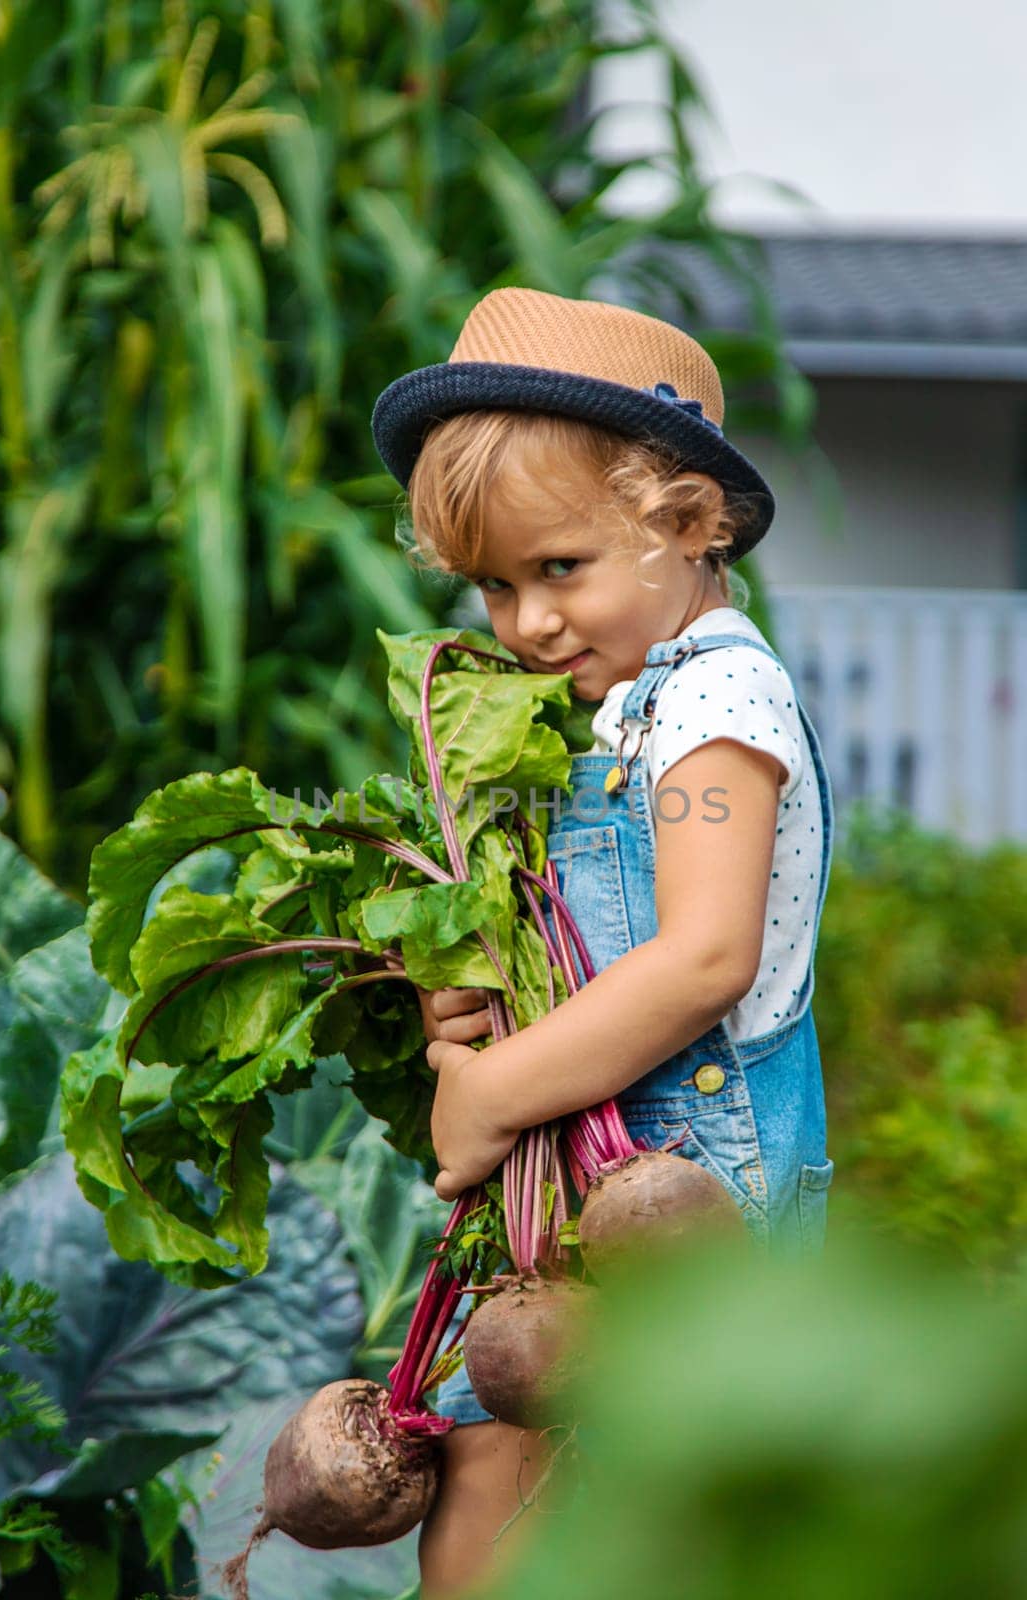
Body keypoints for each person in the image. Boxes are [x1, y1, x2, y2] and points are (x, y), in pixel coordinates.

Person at [370, 286, 835, 1596]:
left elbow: (702, 959)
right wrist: (457, 1008)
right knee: (477, 1483)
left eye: (557, 570)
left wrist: (494, 1096)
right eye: (493, 588)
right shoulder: (592, 713)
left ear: (688, 523)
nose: (524, 623)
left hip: (692, 1190)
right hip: (564, 1195)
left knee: (653, 1522)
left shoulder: (718, 694)